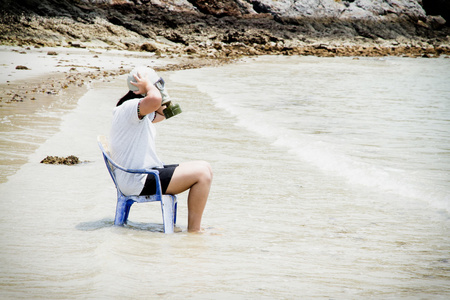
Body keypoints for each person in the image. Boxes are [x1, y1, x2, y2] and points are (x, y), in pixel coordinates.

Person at [109, 66, 212, 233]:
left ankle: (195, 227)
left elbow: (169, 113)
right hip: (138, 180)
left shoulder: (138, 110)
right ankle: (194, 231)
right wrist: (150, 87)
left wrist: (164, 94)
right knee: (202, 174)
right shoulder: (131, 107)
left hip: (139, 175)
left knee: (205, 166)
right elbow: (155, 100)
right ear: (143, 88)